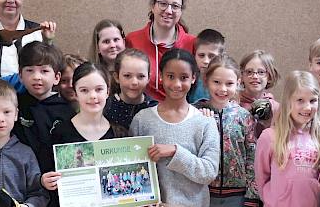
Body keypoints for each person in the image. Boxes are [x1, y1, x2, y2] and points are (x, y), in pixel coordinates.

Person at [130, 49, 220, 207]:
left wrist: (175, 151)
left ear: (193, 78)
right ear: (161, 76)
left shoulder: (205, 122)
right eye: (170, 76)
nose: (177, 84)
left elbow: (209, 172)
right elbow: (132, 167)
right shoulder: (142, 119)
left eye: (184, 77)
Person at [41, 63, 129, 206]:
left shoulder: (120, 134)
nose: (93, 96)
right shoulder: (60, 133)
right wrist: (44, 180)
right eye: (84, 90)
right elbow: (46, 172)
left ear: (108, 91)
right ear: (75, 93)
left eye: (99, 89)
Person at [0, 78, 48, 207]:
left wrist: (28, 206)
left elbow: (38, 193)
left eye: (7, 112)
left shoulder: (25, 153)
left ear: (16, 114)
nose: (0, 119)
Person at [192, 55, 257, 206]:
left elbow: (252, 158)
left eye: (229, 83)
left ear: (238, 83)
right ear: (206, 81)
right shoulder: (194, 113)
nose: (222, 89)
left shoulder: (244, 116)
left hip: (238, 195)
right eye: (216, 82)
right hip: (202, 193)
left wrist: (252, 197)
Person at [255, 71, 320, 207]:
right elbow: (261, 178)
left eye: (313, 100)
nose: (307, 107)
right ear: (288, 101)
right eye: (300, 100)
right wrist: (272, 200)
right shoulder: (269, 136)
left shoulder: (318, 135)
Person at [10, 41, 75, 175]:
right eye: (29, 70)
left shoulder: (66, 110)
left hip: (54, 177)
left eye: (44, 71)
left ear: (56, 78)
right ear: (20, 76)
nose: (36, 77)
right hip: (21, 175)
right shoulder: (13, 103)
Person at [126, 0, 197, 101]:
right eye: (163, 4)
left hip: (181, 113)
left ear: (181, 11)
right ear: (153, 6)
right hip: (141, 113)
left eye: (175, 6)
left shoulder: (193, 44)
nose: (169, 11)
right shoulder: (132, 40)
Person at [104, 49, 158, 130]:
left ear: (148, 78)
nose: (134, 82)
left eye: (141, 76)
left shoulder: (155, 108)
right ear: (116, 77)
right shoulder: (106, 107)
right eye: (127, 76)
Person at [239, 50, 281, 139]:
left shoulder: (277, 108)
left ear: (269, 76)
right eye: (249, 72)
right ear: (241, 76)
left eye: (261, 72)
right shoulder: (234, 105)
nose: (255, 76)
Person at [189, 29, 225, 103]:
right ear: (195, 55)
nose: (206, 61)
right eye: (201, 55)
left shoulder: (226, 80)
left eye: (211, 56)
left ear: (221, 56)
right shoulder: (190, 79)